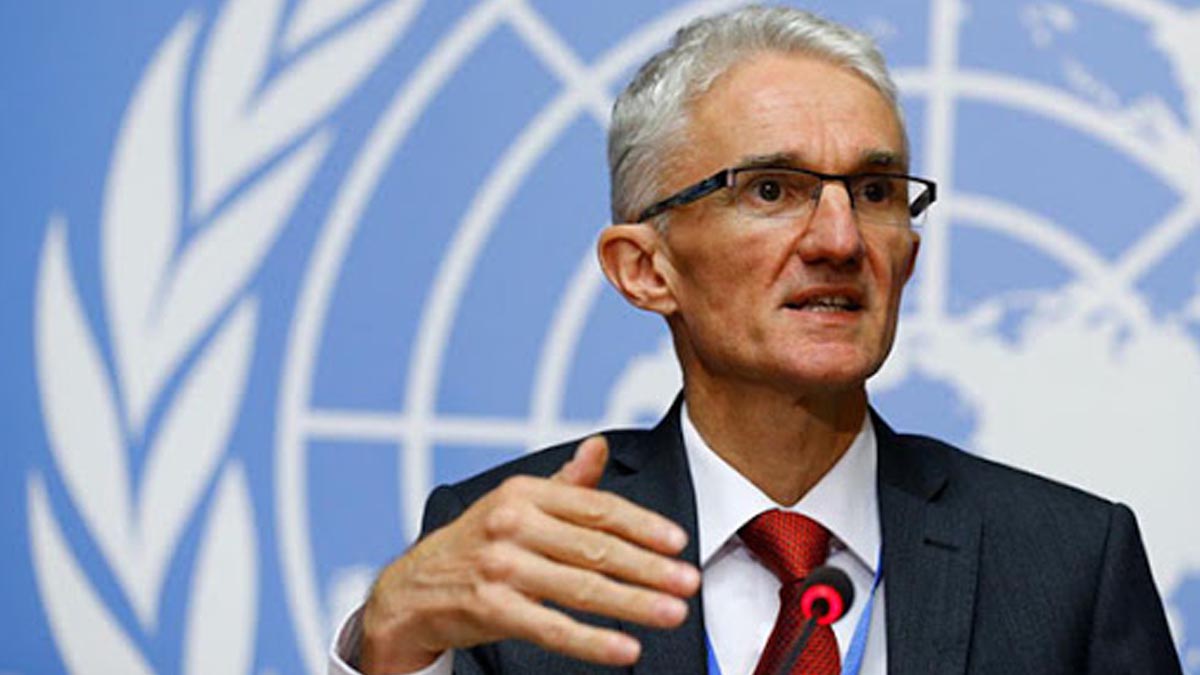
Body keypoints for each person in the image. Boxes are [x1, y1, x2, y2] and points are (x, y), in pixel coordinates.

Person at [330, 6, 1182, 674]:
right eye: (772, 189)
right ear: (645, 269)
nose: (841, 240)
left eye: (875, 192)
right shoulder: (518, 555)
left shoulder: (1068, 561)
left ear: (910, 256)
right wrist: (392, 644)